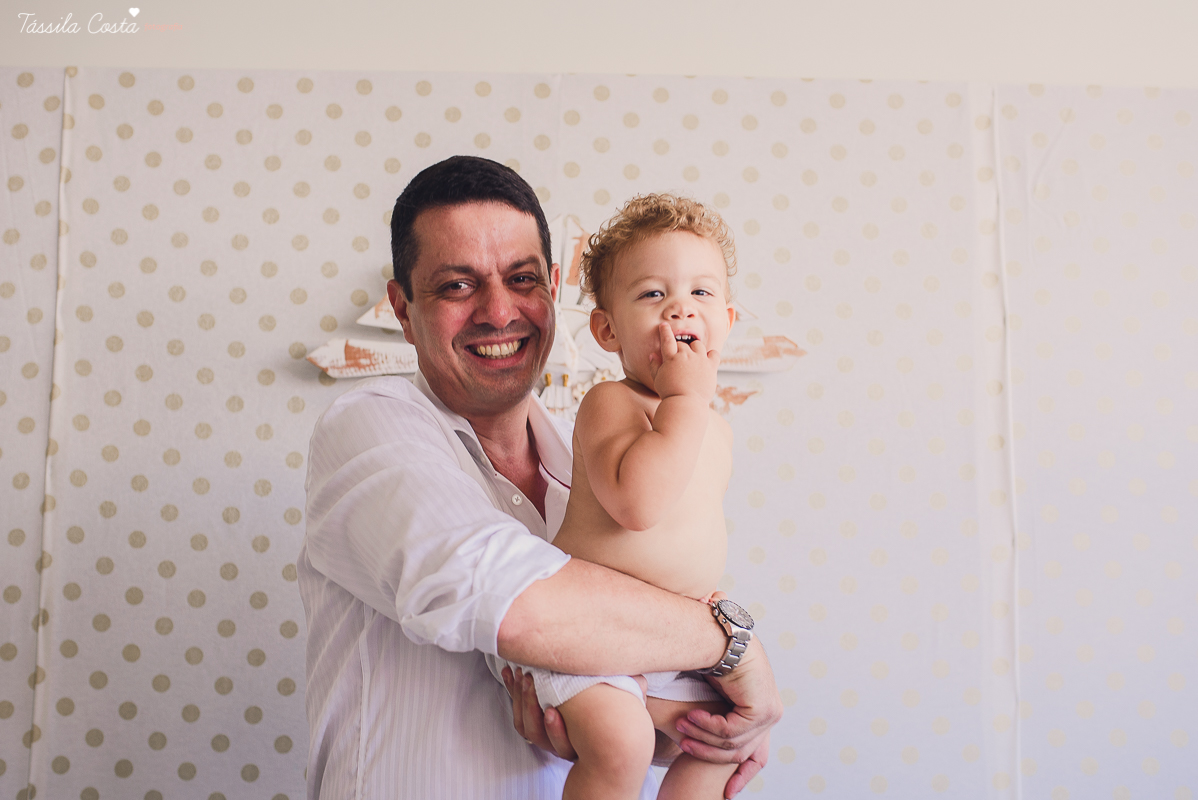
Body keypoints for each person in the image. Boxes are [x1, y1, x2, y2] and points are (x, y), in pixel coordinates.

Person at [298, 156, 781, 800]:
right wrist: (732, 646)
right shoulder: (370, 428)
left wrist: (695, 723)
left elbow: (614, 653)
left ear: (552, 289)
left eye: (521, 279)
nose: (499, 312)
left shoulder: (582, 463)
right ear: (402, 307)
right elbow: (515, 603)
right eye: (456, 286)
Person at [492, 193, 748, 800]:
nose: (681, 307)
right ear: (607, 330)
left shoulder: (714, 428)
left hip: (673, 645)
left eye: (702, 293)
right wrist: (685, 401)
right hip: (595, 641)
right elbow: (638, 507)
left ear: (728, 323)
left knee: (725, 738)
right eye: (653, 294)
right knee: (623, 744)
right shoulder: (613, 404)